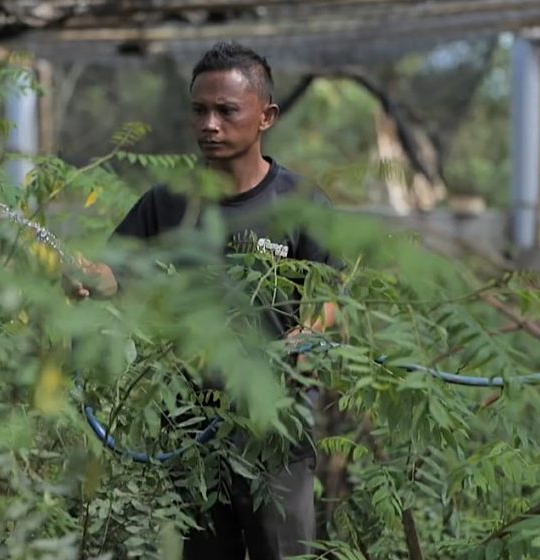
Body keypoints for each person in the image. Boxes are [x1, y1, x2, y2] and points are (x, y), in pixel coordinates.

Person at [72, 41, 341, 560]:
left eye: (226, 111)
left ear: (267, 117)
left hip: (273, 430)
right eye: (199, 110)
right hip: (188, 428)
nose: (209, 124)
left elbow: (330, 298)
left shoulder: (300, 204)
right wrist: (86, 278)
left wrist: (307, 334)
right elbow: (115, 271)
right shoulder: (167, 202)